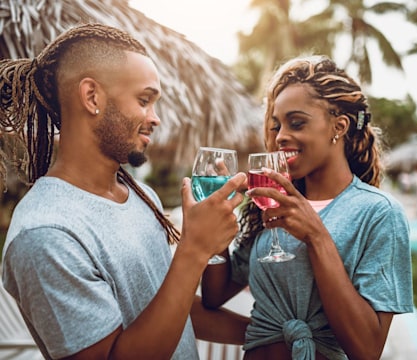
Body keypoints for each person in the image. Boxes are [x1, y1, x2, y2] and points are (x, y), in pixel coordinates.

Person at [0, 23, 249, 359]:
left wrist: (269, 338)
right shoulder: (45, 233)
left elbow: (169, 310)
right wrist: (194, 250)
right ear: (92, 97)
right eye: (144, 100)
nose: (155, 118)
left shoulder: (141, 195)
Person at [201, 55, 414, 359]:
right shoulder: (272, 202)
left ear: (338, 127)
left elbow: (367, 350)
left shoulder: (378, 214)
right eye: (276, 126)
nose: (280, 136)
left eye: (296, 123)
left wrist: (316, 236)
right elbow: (214, 295)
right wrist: (217, 230)